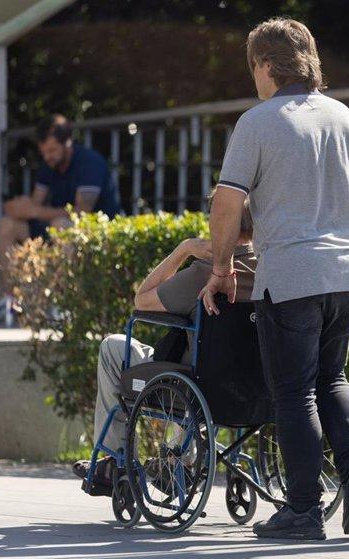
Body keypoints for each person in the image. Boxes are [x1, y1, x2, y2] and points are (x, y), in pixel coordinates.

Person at [200, 17, 349, 541]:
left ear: (264, 64)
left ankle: (303, 509)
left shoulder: (258, 122)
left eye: (251, 66)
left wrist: (221, 267)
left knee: (294, 392)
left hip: (292, 276)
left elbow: (227, 203)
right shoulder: (346, 119)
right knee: (334, 377)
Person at [72, 200, 256, 494]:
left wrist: (182, 249)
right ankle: (178, 458)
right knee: (199, 365)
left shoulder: (205, 273)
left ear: (217, 224)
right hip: (252, 386)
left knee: (112, 347)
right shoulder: (272, 270)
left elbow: (141, 300)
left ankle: (114, 461)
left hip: (196, 381)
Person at [0, 114, 120, 326]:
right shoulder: (49, 165)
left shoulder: (89, 163)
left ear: (67, 143)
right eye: (43, 151)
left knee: (61, 226)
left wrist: (33, 211)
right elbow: (35, 204)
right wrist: (18, 209)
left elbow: (82, 213)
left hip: (95, 233)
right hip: (55, 227)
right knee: (6, 225)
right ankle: (10, 303)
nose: (47, 156)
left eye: (52, 150)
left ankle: (62, 306)